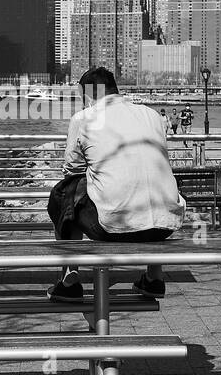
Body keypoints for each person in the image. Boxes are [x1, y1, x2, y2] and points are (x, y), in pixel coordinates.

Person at [46, 67, 185, 302]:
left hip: (114, 227)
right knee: (146, 179)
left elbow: (72, 170)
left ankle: (70, 279)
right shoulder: (151, 115)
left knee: (64, 192)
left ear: (89, 94)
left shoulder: (83, 118)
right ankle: (154, 278)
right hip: (165, 225)